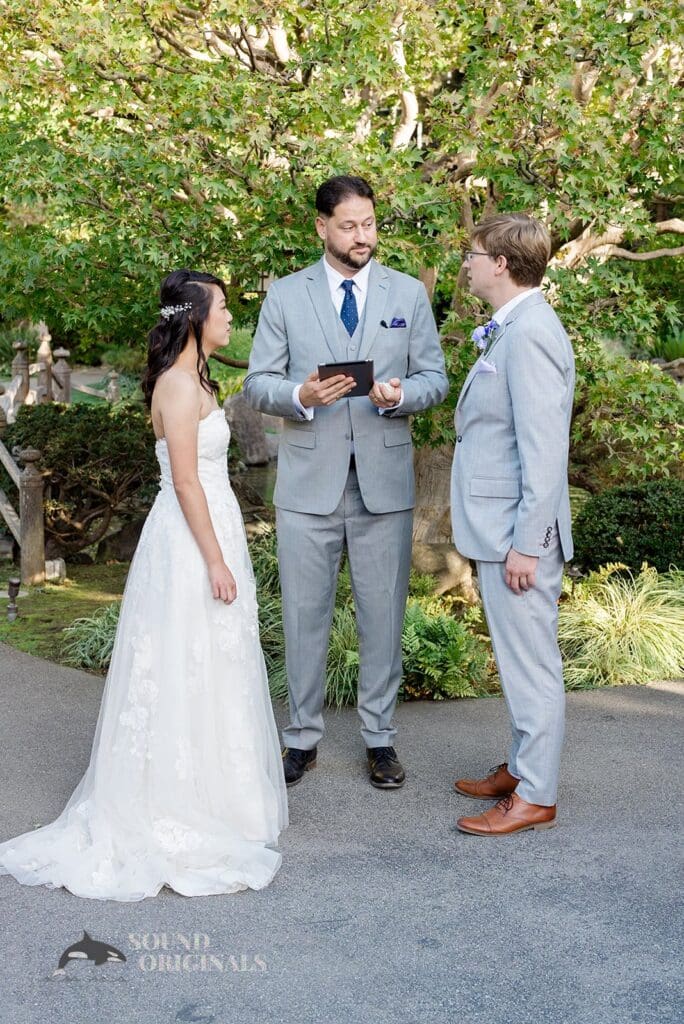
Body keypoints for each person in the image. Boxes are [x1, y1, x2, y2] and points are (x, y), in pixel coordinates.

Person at [0, 270, 288, 899]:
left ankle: (221, 796)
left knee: (212, 661)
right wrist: (215, 561)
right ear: (195, 318)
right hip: (191, 540)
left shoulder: (194, 378)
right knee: (189, 658)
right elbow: (186, 482)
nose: (231, 320)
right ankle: (177, 803)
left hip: (205, 529)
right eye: (224, 310)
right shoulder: (180, 386)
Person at [244, 175, 448, 790]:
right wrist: (300, 396)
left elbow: (434, 378)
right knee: (305, 615)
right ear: (322, 229)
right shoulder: (285, 295)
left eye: (369, 224)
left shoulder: (407, 293)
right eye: (350, 226)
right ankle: (301, 739)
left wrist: (402, 395)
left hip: (383, 485)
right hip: (308, 486)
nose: (363, 236)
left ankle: (380, 740)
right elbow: (258, 383)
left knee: (383, 617)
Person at [450, 214, 575, 836]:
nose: (466, 263)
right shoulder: (513, 328)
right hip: (497, 528)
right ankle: (525, 769)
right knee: (518, 658)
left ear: (501, 263)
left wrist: (529, 543)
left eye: (473, 255)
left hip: (516, 537)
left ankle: (537, 795)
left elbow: (545, 451)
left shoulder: (532, 335)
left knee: (531, 665)